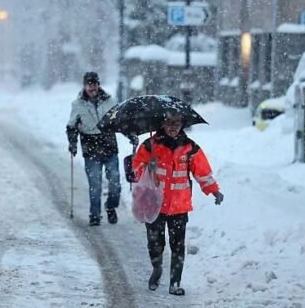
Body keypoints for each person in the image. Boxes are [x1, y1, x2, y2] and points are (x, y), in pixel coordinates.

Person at [132, 112, 223, 296]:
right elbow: (136, 168)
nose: (173, 126)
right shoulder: (150, 145)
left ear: (182, 124)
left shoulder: (190, 147)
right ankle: (157, 269)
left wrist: (213, 190)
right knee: (155, 243)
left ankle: (175, 282)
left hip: (179, 206)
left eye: (177, 123)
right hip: (154, 204)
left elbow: (202, 172)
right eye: (169, 122)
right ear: (162, 123)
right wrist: (146, 167)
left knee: (178, 246)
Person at [66, 71, 121, 226]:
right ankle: (95, 214)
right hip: (91, 148)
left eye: (95, 84)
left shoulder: (110, 101)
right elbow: (71, 127)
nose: (92, 87)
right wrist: (73, 143)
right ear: (84, 86)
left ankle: (111, 206)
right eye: (89, 84)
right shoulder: (77, 105)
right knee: (95, 184)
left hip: (109, 146)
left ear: (98, 84)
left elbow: (120, 122)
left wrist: (130, 135)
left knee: (115, 181)